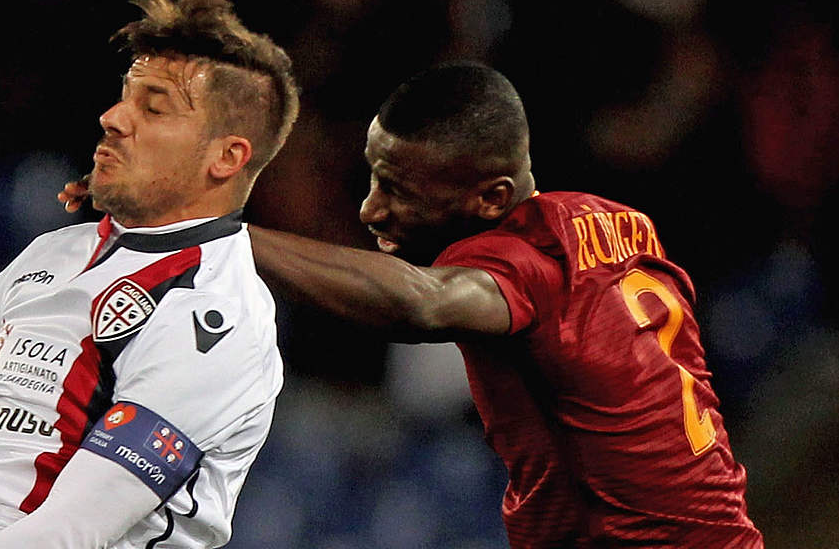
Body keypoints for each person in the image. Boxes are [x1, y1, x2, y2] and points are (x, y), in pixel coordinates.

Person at [61, 60, 764, 547]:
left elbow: (426, 304)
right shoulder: (617, 224)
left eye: (399, 189)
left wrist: (215, 236)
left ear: (490, 198)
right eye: (375, 178)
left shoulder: (520, 263)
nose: (371, 208)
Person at [0, 0, 300, 549]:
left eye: (153, 108)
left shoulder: (216, 318)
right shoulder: (47, 259)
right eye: (125, 97)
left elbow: (72, 532)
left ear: (227, 157)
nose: (113, 118)